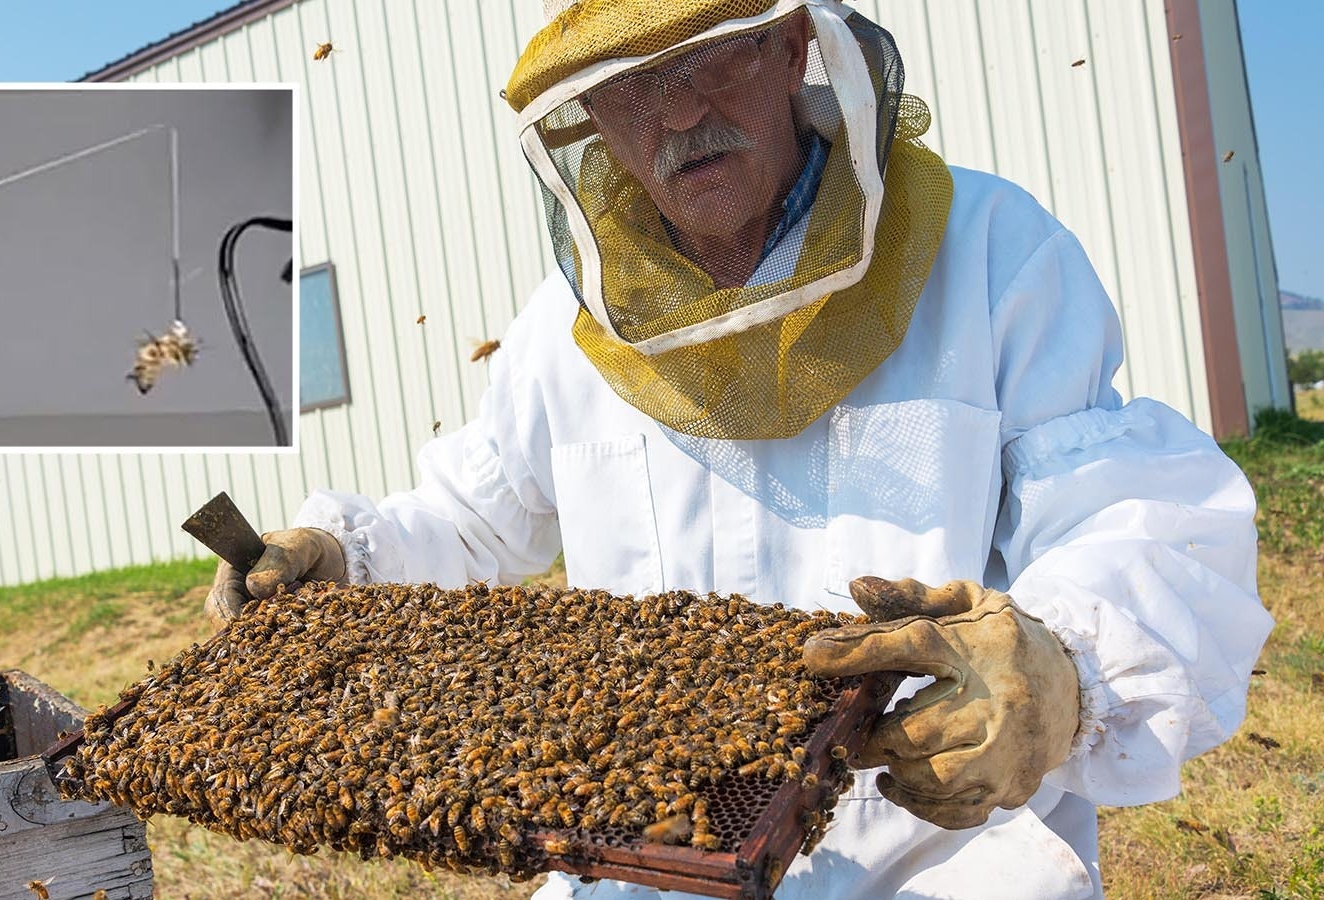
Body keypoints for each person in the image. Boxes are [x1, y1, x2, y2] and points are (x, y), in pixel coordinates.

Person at [205, 1, 1271, 896]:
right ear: (586, 124)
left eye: (715, 54)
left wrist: (1064, 664)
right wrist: (353, 558)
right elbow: (477, 518)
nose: (676, 112)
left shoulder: (988, 252)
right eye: (629, 85)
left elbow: (1126, 515)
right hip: (640, 857)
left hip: (930, 862)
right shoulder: (565, 327)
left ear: (795, 46)